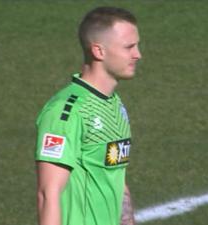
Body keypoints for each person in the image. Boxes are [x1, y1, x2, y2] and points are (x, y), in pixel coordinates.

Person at [35, 6, 141, 225]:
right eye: (129, 47)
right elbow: (48, 194)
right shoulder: (66, 111)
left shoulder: (114, 104)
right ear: (98, 51)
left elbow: (116, 177)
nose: (137, 54)